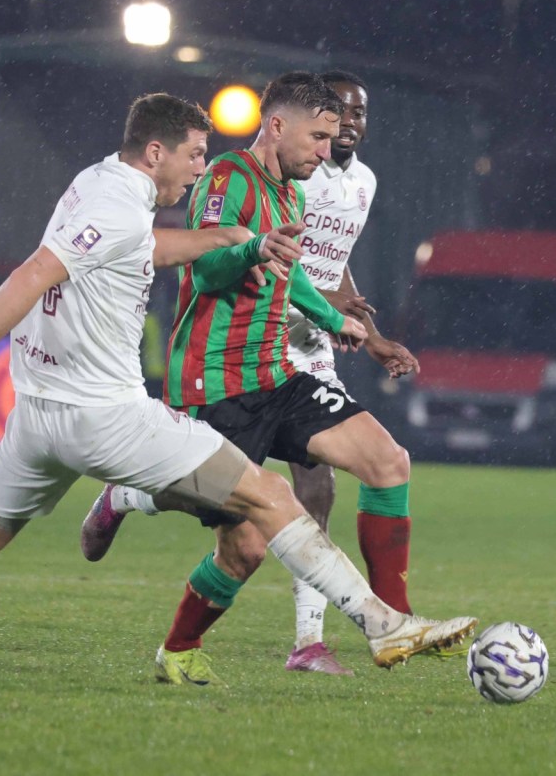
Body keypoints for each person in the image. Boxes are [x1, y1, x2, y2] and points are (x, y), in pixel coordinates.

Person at [0, 91, 475, 674]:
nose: (200, 168)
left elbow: (143, 246)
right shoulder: (118, 206)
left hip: (38, 417)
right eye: (194, 155)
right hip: (106, 415)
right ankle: (381, 623)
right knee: (269, 496)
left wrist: (230, 240)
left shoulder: (98, 184)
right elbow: (33, 273)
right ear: (156, 154)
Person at [79, 72, 453, 686]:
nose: (326, 152)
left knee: (388, 463)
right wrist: (253, 251)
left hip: (277, 376)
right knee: (245, 548)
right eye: (317, 138)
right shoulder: (228, 178)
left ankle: (396, 623)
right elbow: (206, 271)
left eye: (333, 140)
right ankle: (169, 624)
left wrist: (339, 320)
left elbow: (291, 274)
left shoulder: (293, 196)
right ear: (276, 125)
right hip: (214, 387)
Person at [283, 70, 422, 675]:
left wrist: (373, 337)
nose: (350, 123)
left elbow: (332, 266)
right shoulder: (295, 175)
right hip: (259, 339)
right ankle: (130, 491)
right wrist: (323, 307)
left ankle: (309, 642)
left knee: (316, 490)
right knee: (216, 490)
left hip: (312, 347)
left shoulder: (363, 181)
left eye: (360, 112)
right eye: (339, 112)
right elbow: (270, 262)